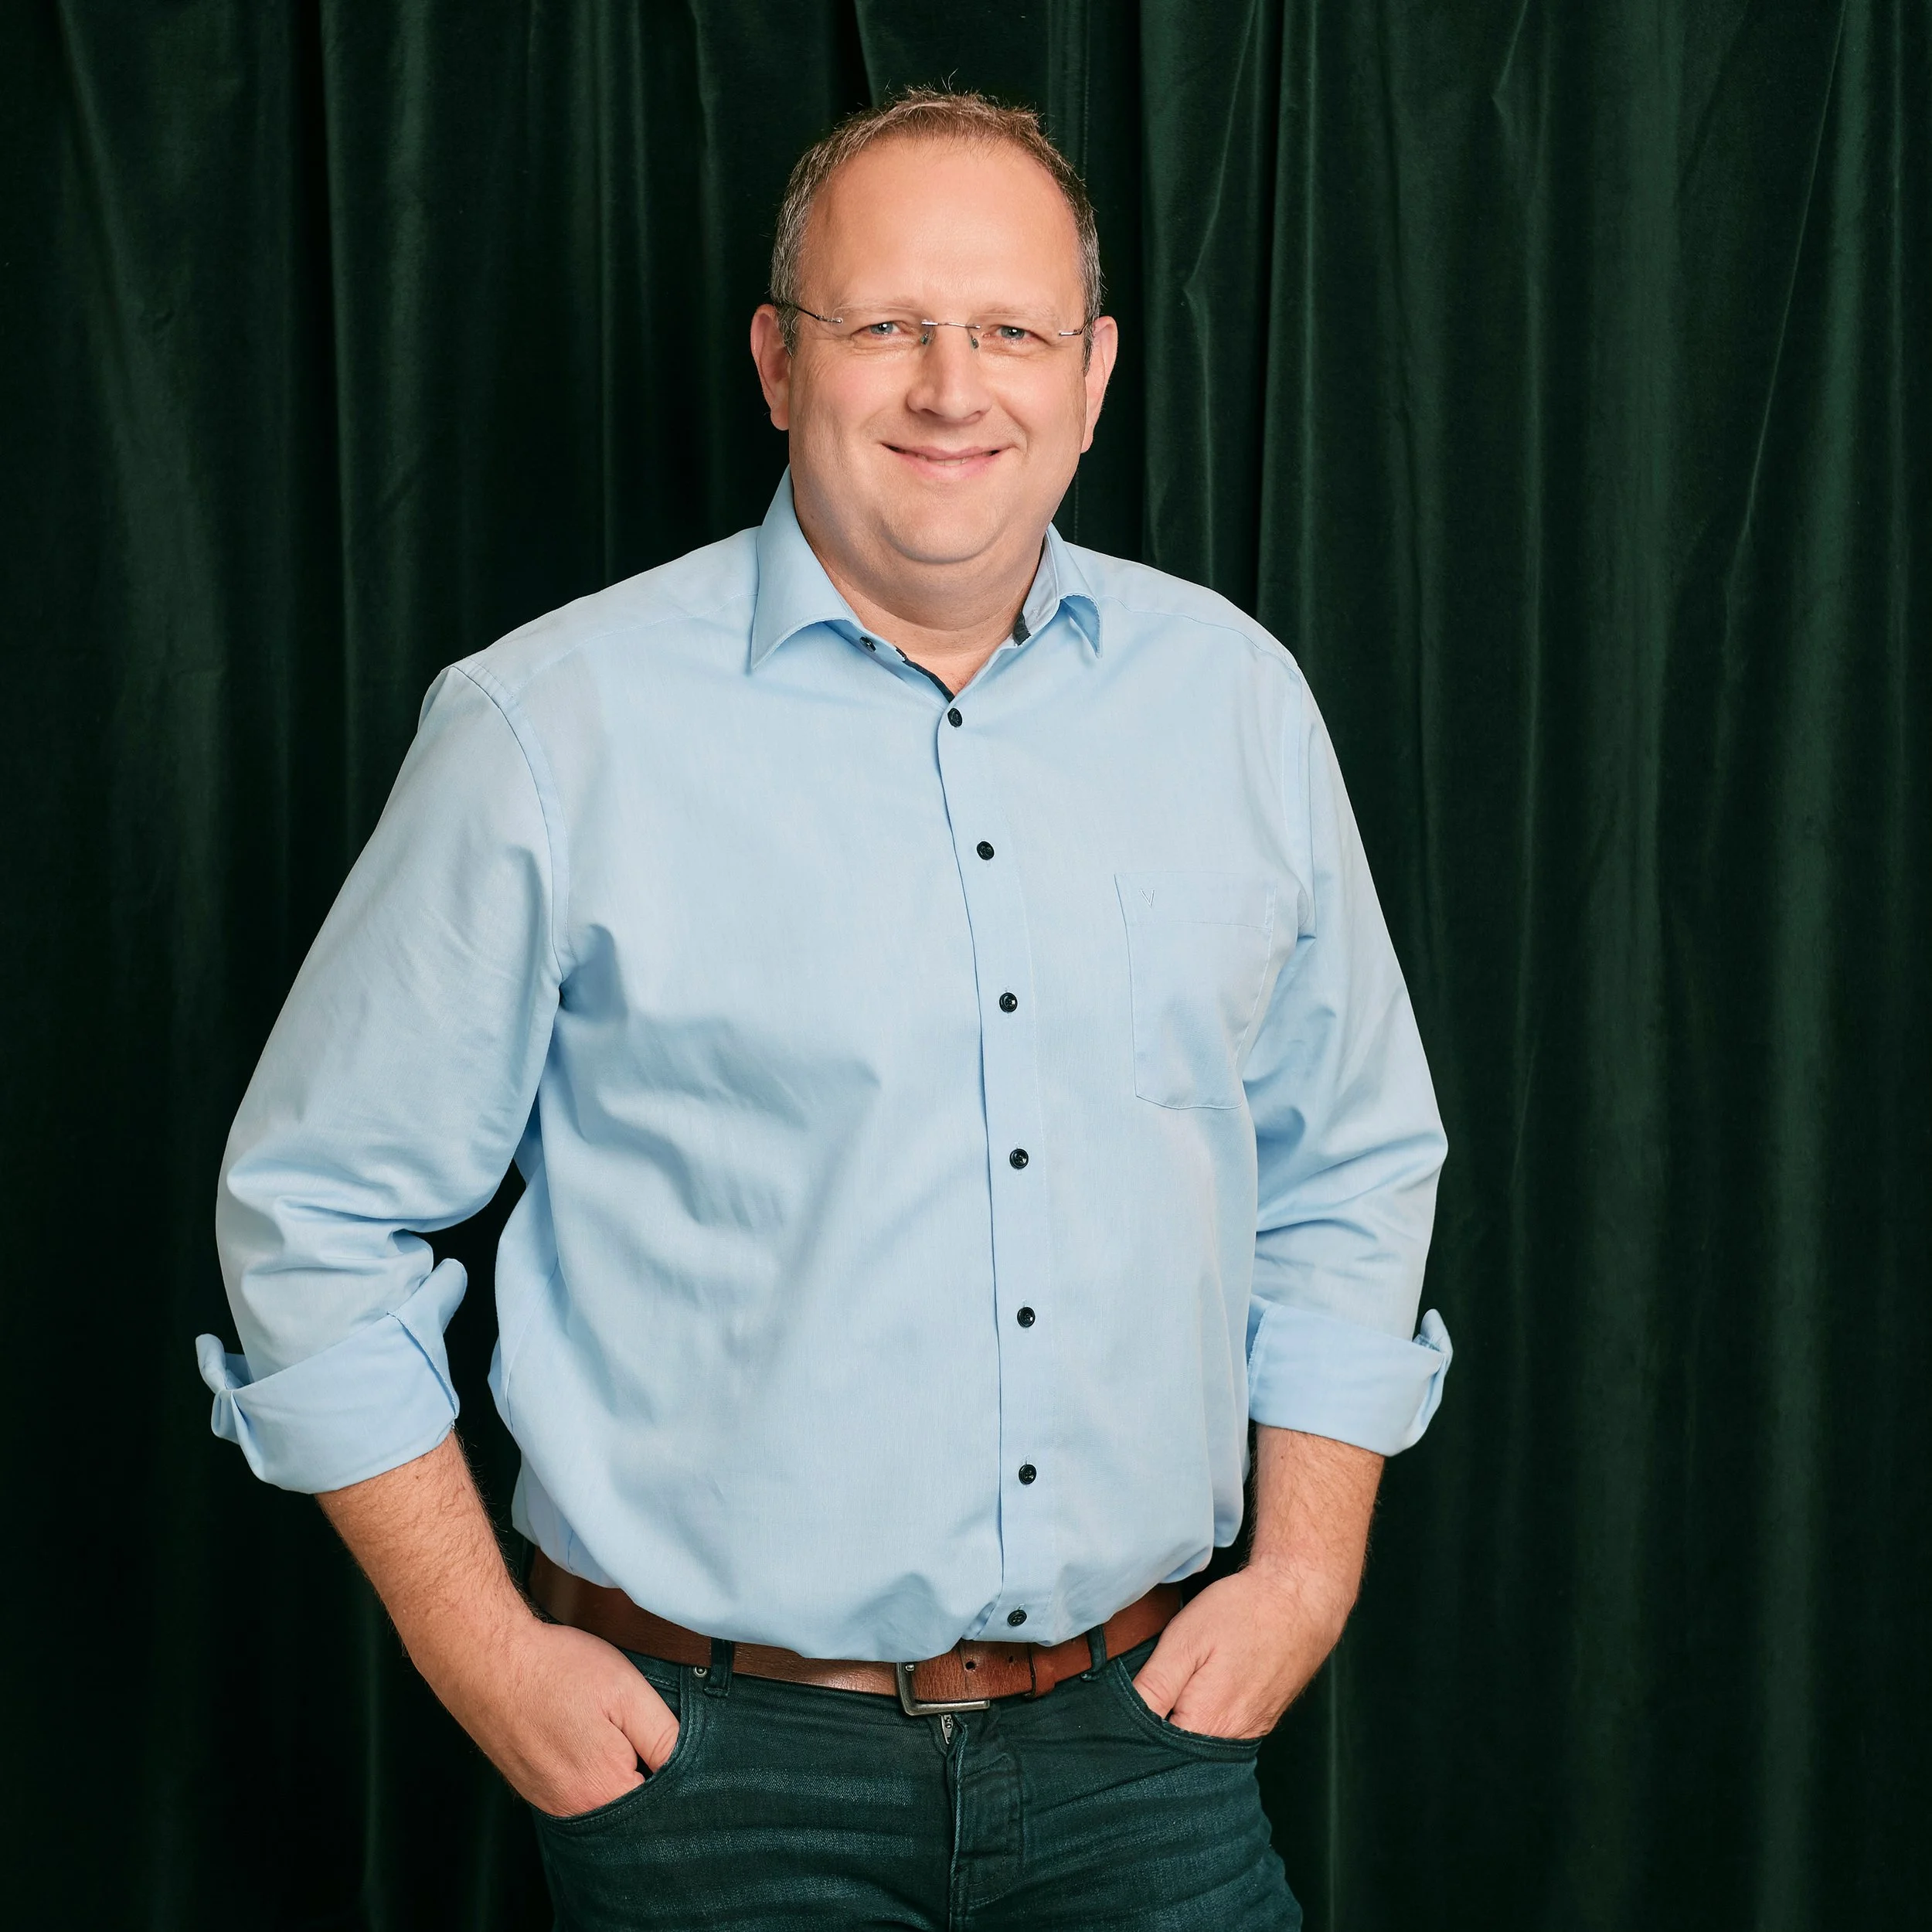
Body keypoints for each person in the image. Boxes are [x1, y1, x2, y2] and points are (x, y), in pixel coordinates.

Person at [197, 88, 1451, 1931]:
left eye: (1008, 328)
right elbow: (312, 1217)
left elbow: (1346, 1162)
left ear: (1093, 374)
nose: (952, 386)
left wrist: (1305, 1574)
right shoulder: (551, 728)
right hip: (712, 1783)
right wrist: (488, 1657)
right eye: (886, 325)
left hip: (1145, 1750)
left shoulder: (1234, 706)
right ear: (781, 363)